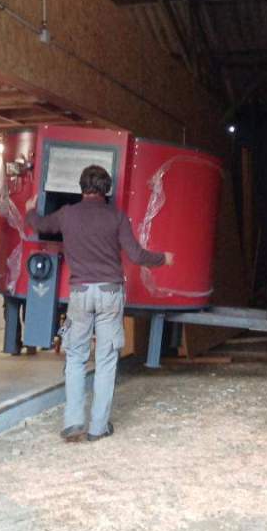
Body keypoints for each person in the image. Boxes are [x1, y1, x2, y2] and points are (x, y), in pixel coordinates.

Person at [25, 165, 173, 443]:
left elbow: (42, 225)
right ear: (106, 189)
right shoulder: (116, 217)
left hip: (80, 293)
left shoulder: (67, 214)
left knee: (76, 357)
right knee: (105, 360)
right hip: (109, 293)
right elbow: (137, 255)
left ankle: (73, 423)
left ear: (81, 188)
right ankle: (98, 427)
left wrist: (31, 209)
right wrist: (163, 258)